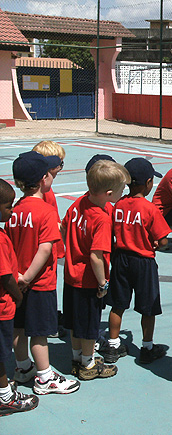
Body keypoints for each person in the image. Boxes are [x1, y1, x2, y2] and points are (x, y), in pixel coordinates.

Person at [7, 152, 80, 395]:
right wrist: (28, 276)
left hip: (15, 281)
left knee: (19, 328)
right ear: (43, 179)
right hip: (38, 283)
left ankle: (22, 367)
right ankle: (44, 377)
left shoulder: (14, 209)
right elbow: (45, 247)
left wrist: (18, 277)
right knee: (39, 332)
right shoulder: (46, 211)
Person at [61, 160, 130, 381]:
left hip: (71, 275)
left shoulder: (79, 203)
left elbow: (64, 228)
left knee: (73, 321)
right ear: (109, 193)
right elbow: (96, 256)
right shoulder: (101, 218)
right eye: (121, 190)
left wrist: (72, 249)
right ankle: (88, 363)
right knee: (89, 325)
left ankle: (76, 357)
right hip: (88, 280)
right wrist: (102, 283)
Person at [103, 158, 171, 364]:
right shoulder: (150, 209)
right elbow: (163, 240)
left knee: (117, 304)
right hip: (143, 261)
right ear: (148, 183)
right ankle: (147, 346)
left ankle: (113, 346)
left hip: (121, 259)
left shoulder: (119, 205)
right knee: (148, 307)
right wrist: (159, 244)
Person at [0, 179, 39, 416]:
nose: (12, 211)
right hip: (3, 306)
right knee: (2, 354)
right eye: (7, 206)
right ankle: (5, 396)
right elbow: (5, 277)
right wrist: (18, 296)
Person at [32, 141, 67, 338]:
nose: (61, 167)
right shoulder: (44, 192)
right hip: (50, 244)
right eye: (59, 163)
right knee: (47, 285)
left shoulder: (47, 190)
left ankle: (50, 315)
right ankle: (48, 323)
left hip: (53, 243)